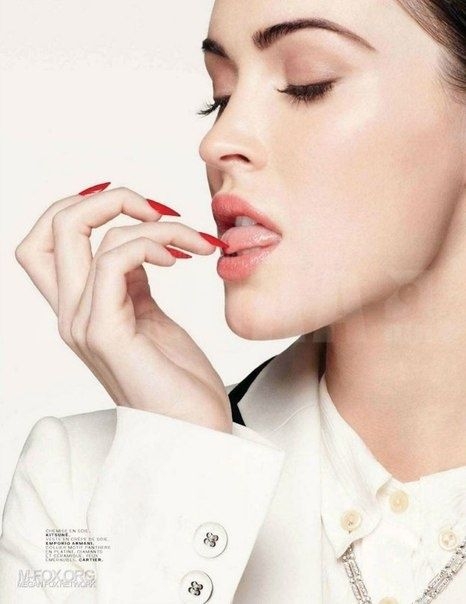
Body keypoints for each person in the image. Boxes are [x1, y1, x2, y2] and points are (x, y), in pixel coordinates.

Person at [1, 0, 465, 602]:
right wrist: (187, 470)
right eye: (220, 96)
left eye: (307, 84)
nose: (217, 141)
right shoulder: (75, 486)